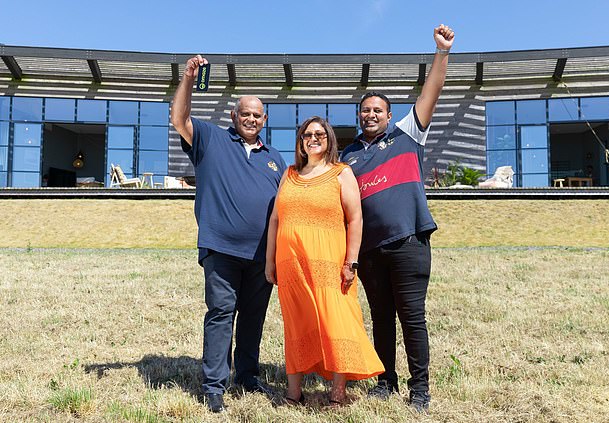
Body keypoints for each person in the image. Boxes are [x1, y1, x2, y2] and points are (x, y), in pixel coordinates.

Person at [340, 24, 455, 412]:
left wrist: (441, 53)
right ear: (359, 116)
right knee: (382, 319)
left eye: (378, 110)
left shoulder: (408, 134)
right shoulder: (348, 156)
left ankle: (419, 389)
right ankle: (386, 381)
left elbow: (431, 93)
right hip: (370, 252)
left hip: (409, 243)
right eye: (365, 110)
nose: (371, 114)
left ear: (389, 115)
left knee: (412, 319)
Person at [171, 55, 286, 413]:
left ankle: (247, 375)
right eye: (245, 113)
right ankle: (214, 386)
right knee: (222, 312)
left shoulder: (276, 159)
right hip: (221, 248)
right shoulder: (210, 139)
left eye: (257, 115)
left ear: (264, 120)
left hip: (261, 255)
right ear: (234, 117)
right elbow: (180, 118)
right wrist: (189, 78)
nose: (251, 119)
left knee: (253, 317)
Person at [265, 117, 384, 406]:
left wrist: (351, 262)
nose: (313, 138)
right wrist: (270, 262)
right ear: (301, 141)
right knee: (296, 324)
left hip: (330, 263)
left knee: (336, 322)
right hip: (291, 264)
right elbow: (275, 219)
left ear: (330, 139)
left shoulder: (341, 173)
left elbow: (355, 218)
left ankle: (337, 393)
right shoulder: (289, 173)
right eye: (307, 134)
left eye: (320, 134)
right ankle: (294, 394)